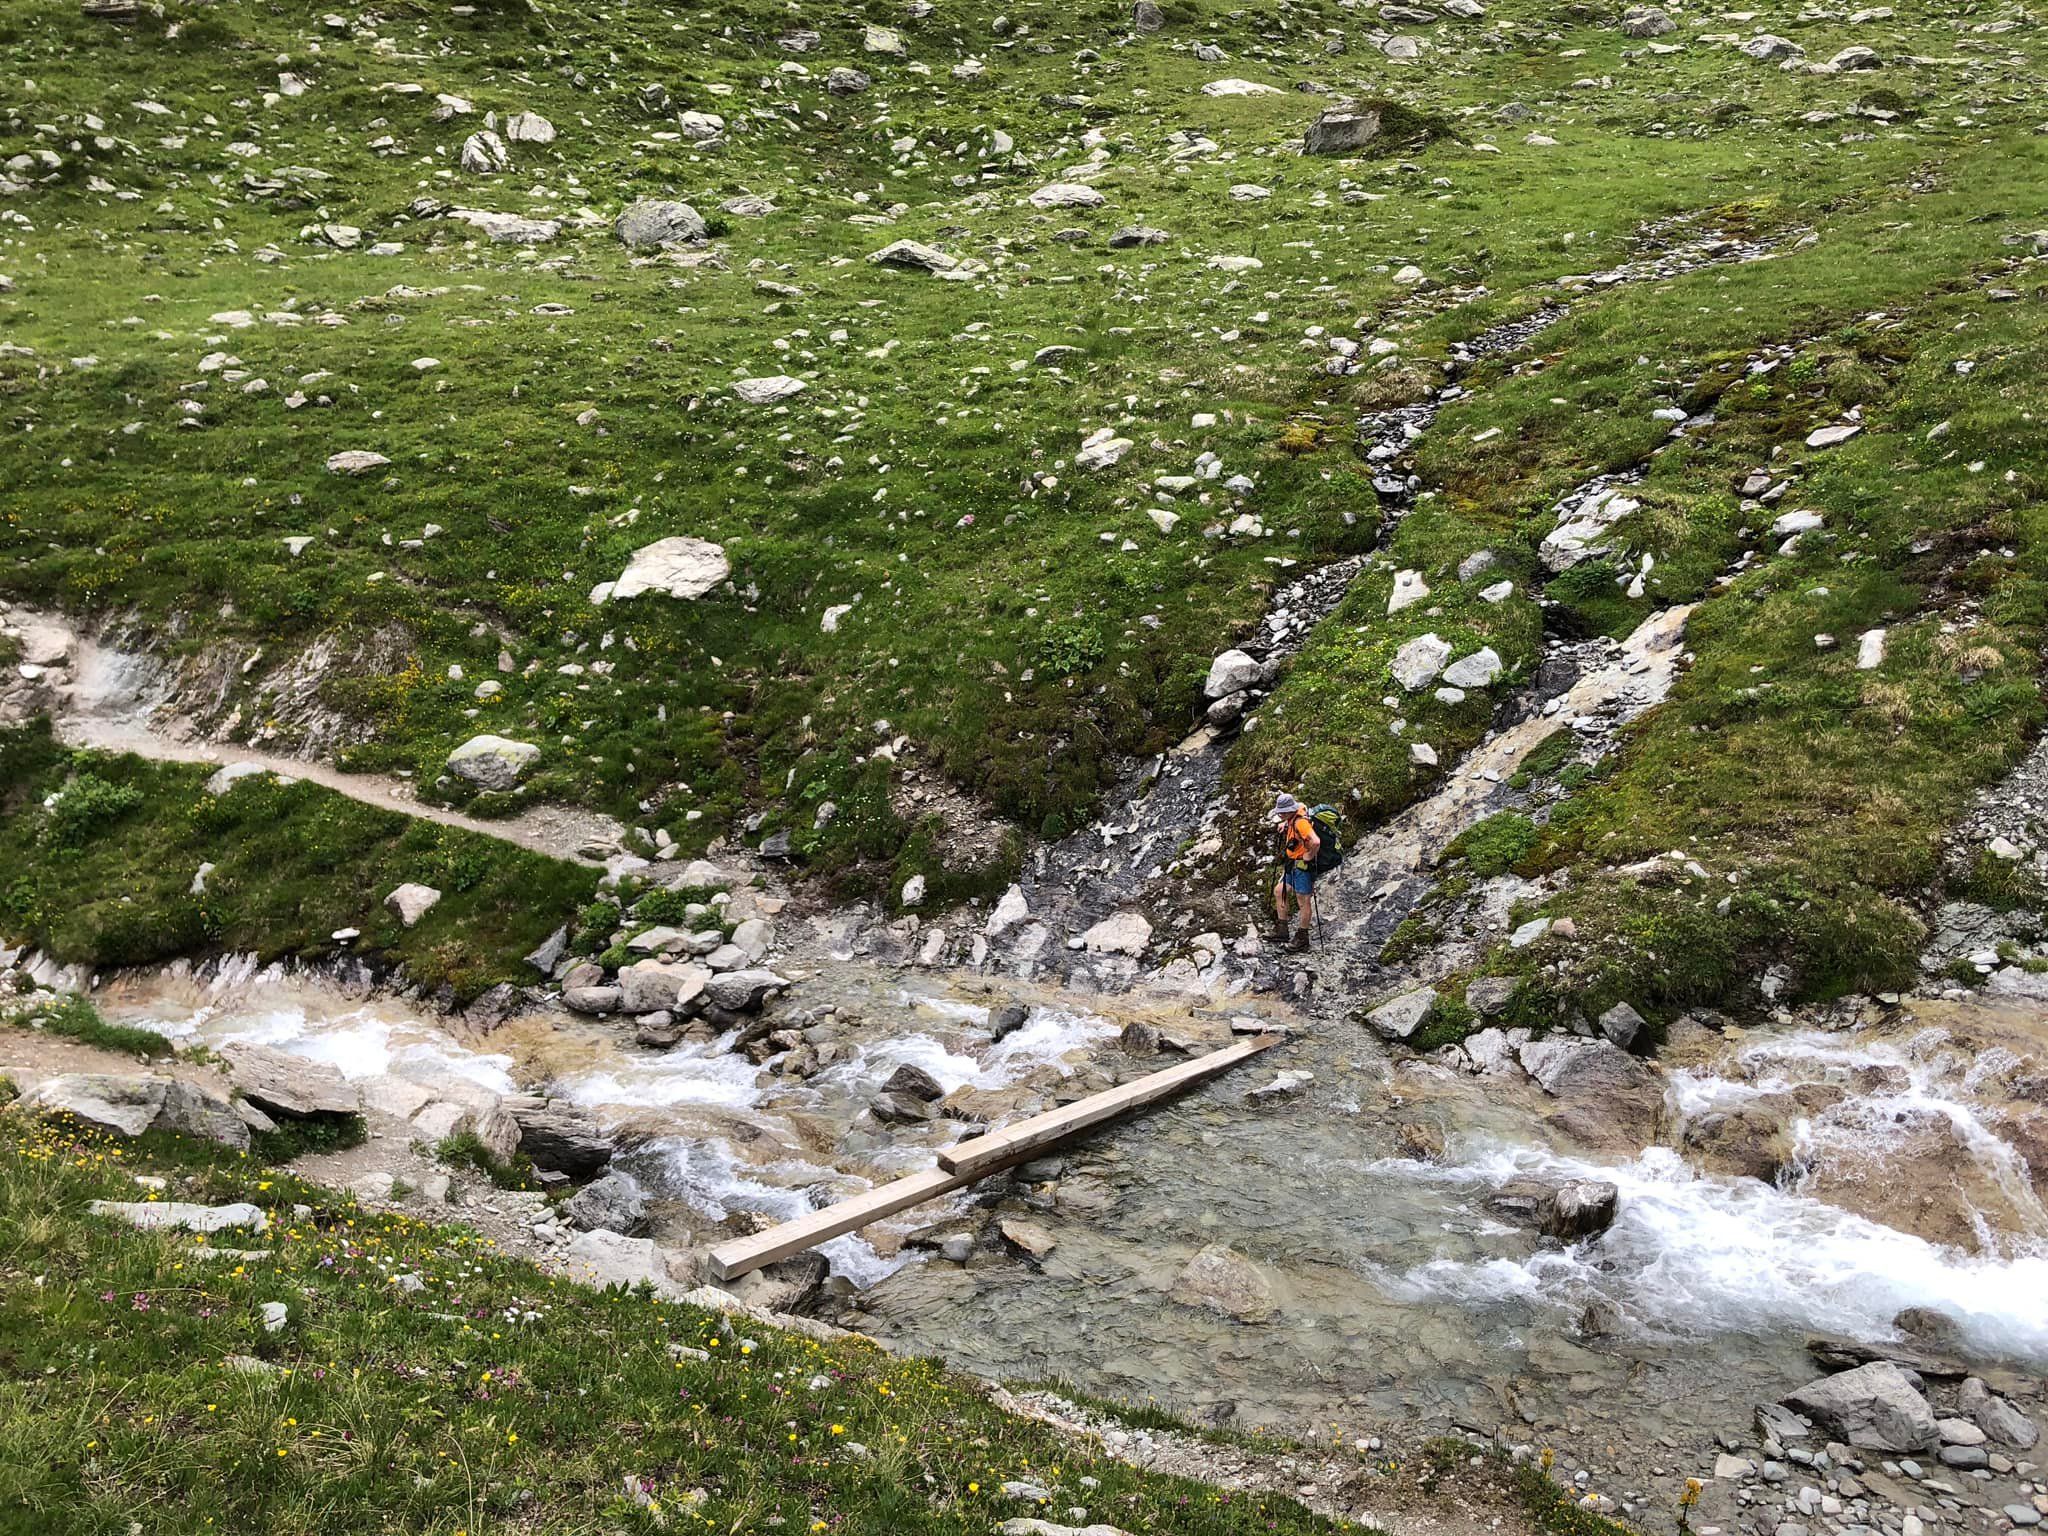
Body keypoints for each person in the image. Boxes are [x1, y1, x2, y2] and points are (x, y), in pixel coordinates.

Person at [1270, 791, 1320, 951]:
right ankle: (1282, 930)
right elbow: (1301, 805)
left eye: (1282, 812)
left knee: (1302, 900)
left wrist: (1309, 855)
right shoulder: (1295, 814)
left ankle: (1302, 937)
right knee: (1280, 891)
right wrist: (1286, 823)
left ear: (1289, 811)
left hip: (1302, 867)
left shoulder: (1301, 823)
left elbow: (1316, 841)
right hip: (1292, 864)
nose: (1280, 815)